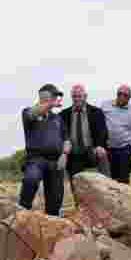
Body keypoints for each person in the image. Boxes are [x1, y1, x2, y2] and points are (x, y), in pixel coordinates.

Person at [20, 84, 69, 215]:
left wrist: (65, 154)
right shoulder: (28, 112)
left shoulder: (58, 118)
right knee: (31, 179)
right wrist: (50, 103)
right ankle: (21, 211)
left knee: (56, 198)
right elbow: (33, 114)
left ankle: (52, 221)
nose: (56, 98)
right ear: (43, 95)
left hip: (56, 162)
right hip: (35, 159)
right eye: (53, 95)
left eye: (56, 96)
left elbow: (66, 139)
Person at [61, 85, 110, 178]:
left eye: (79, 96)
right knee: (61, 159)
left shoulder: (97, 112)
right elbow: (61, 135)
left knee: (102, 153)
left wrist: (99, 146)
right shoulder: (63, 114)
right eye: (74, 96)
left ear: (85, 96)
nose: (77, 99)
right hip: (73, 153)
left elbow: (103, 132)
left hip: (91, 151)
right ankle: (64, 189)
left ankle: (108, 185)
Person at [101, 84, 131, 184]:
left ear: (129, 98)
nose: (122, 96)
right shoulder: (105, 105)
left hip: (124, 149)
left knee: (123, 180)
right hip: (107, 148)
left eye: (125, 95)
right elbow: (98, 124)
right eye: (120, 94)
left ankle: (123, 199)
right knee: (108, 179)